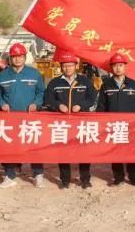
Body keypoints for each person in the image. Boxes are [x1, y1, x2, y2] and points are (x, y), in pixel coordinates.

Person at [0, 43, 46, 188]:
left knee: (34, 146)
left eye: (20, 56)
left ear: (25, 57)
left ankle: (38, 174)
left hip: (30, 118)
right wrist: (1, 103)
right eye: (14, 57)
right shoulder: (3, 75)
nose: (17, 59)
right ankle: (9, 175)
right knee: (9, 146)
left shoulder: (34, 74)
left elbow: (41, 92)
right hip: (10, 118)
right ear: (10, 58)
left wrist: (36, 103)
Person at [45, 51, 97, 189]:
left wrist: (81, 105)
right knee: (63, 152)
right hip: (62, 124)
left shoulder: (84, 81)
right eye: (65, 66)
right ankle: (65, 180)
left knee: (83, 152)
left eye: (70, 65)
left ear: (76, 66)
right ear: (61, 67)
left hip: (81, 123)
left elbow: (92, 98)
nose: (67, 68)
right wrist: (58, 105)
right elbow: (48, 99)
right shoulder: (55, 82)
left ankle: (85, 179)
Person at [96, 53, 135, 186]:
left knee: (132, 152)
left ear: (125, 67)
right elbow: (101, 106)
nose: (118, 68)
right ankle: (118, 177)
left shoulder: (133, 84)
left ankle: (134, 177)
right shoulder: (106, 85)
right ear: (111, 68)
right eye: (115, 65)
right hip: (113, 126)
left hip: (131, 125)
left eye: (120, 65)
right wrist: (101, 123)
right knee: (115, 152)